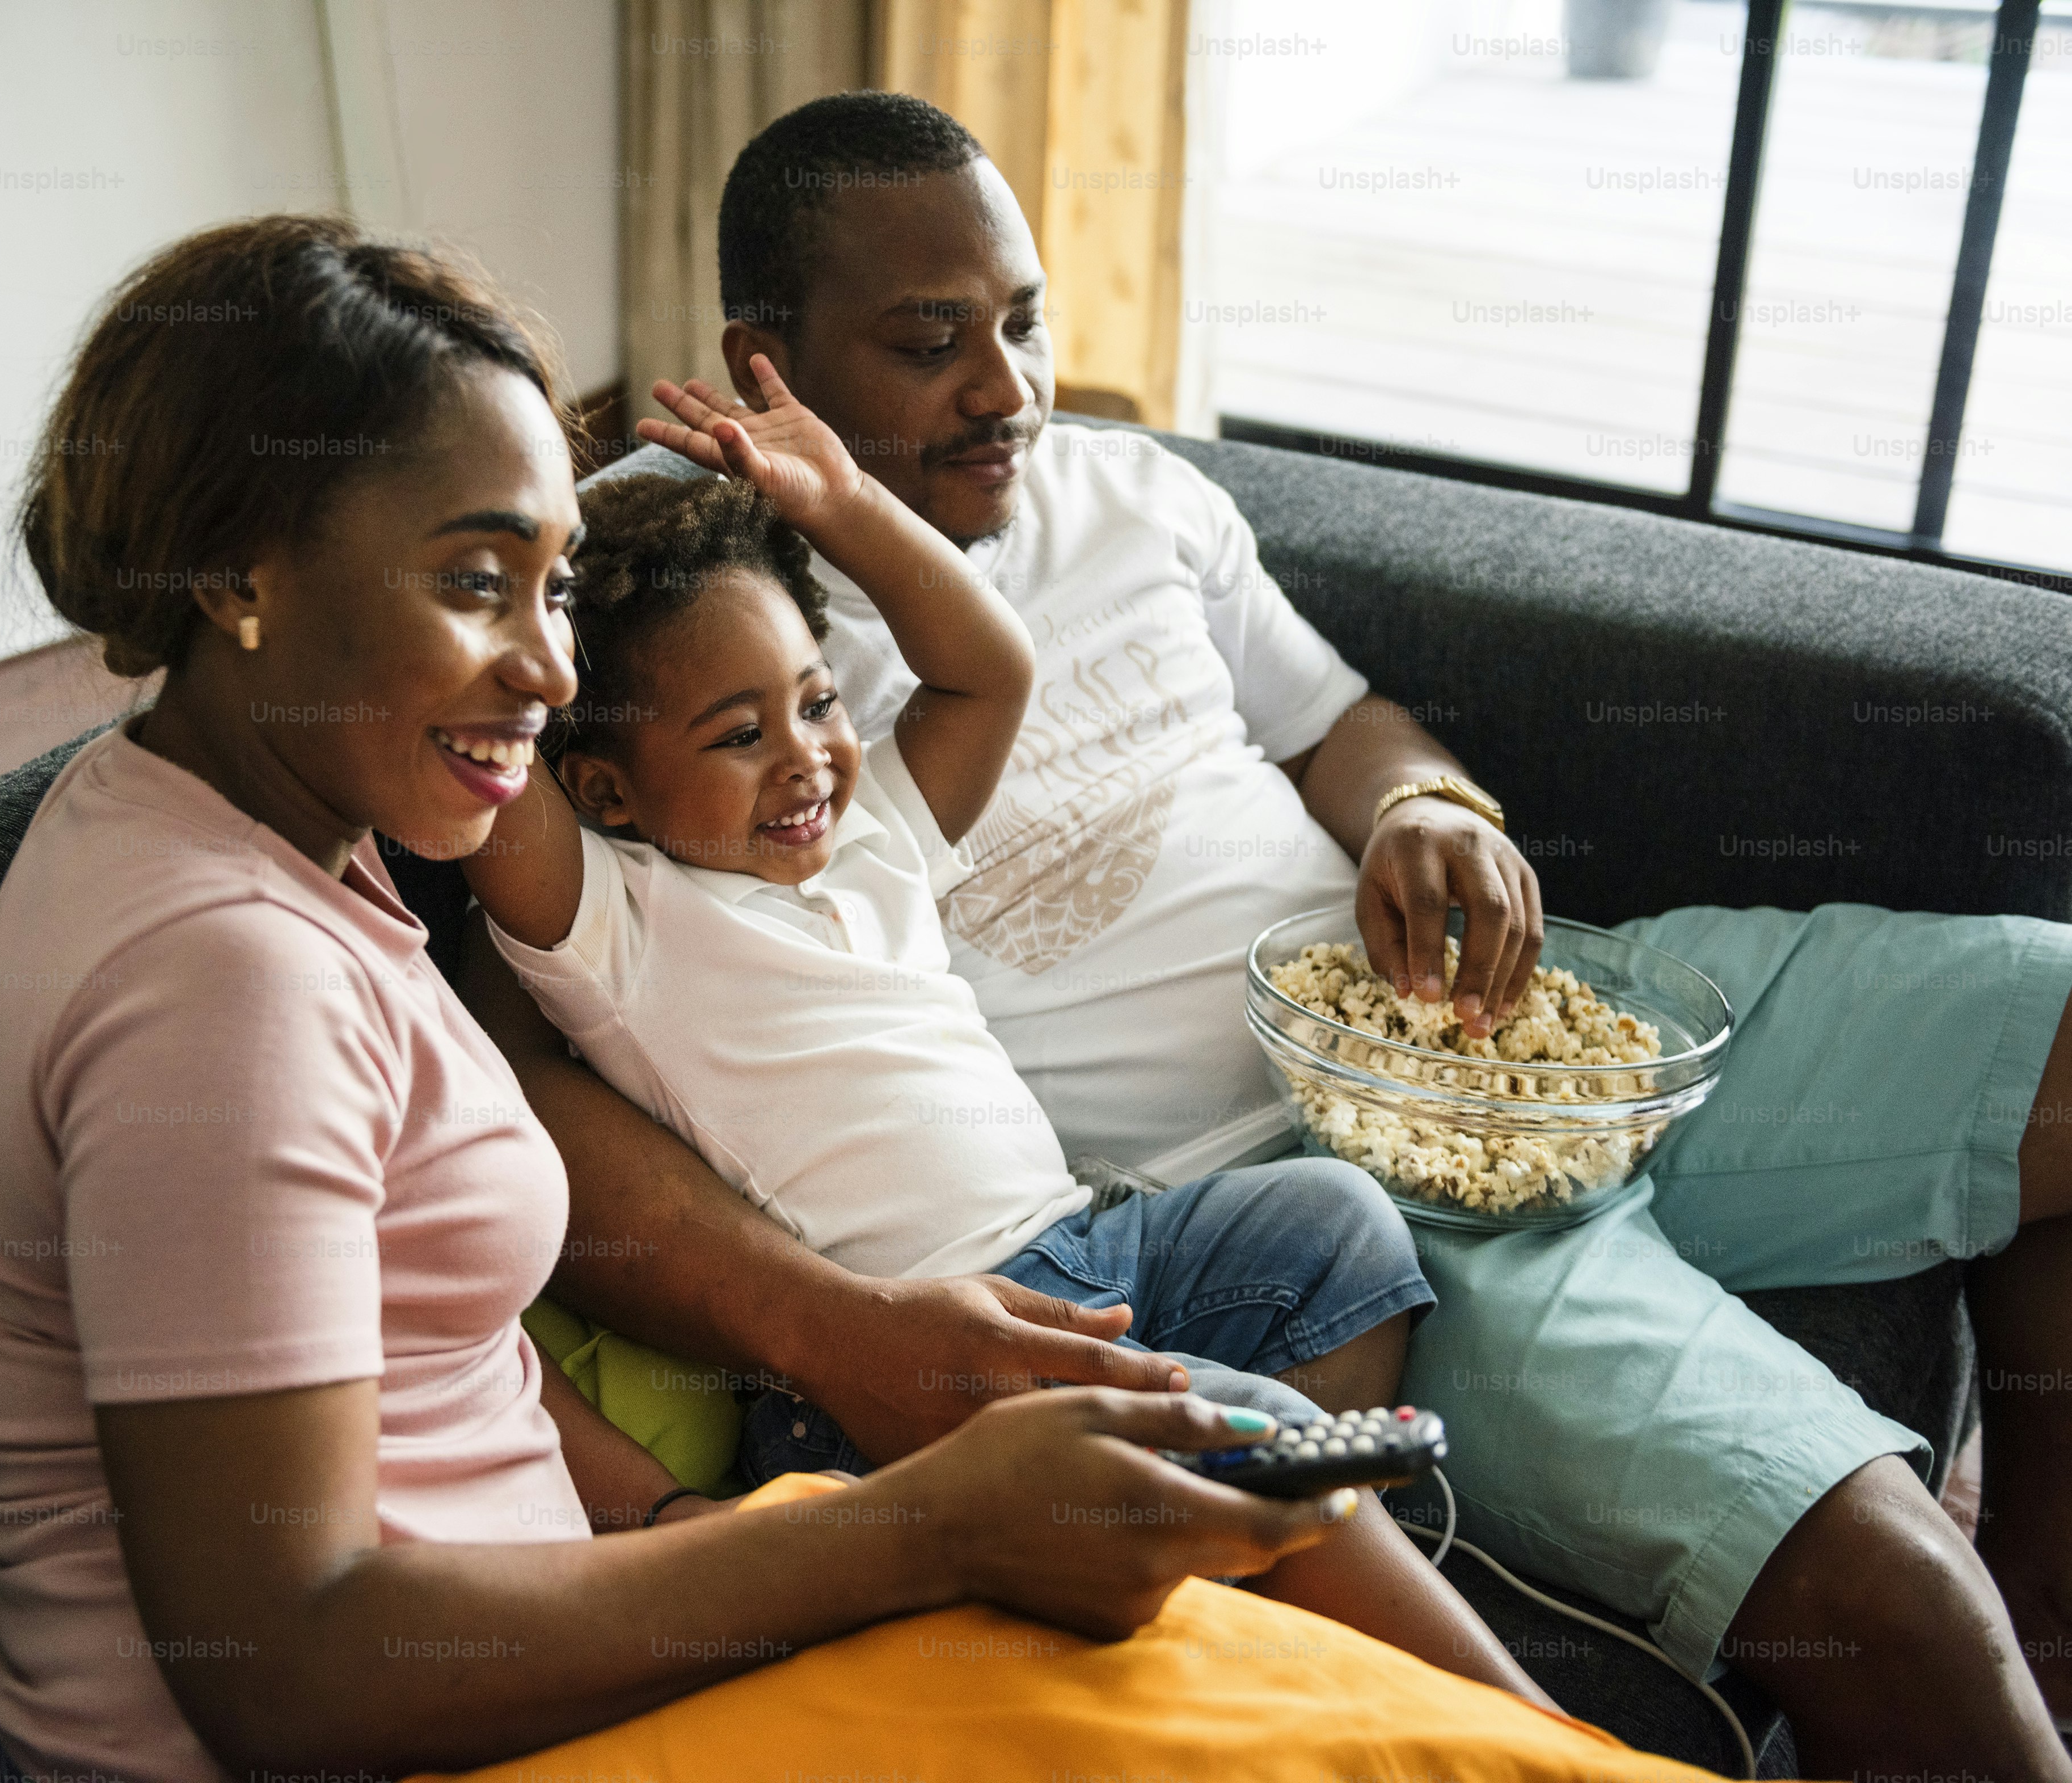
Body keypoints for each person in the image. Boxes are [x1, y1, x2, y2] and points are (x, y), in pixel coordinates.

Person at [0, 214, 1720, 1783]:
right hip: (392, 1741)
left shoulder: (276, 837)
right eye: (477, 582)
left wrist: (689, 1528)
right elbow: (283, 1668)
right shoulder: (220, 979)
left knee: (1264, 1608)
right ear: (238, 576)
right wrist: (900, 1531)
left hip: (543, 1639)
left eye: (552, 586)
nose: (547, 668)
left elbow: (411, 1367)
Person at [461, 91, 2072, 1780]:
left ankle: (2048, 1590)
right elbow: (516, 1040)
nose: (1005, 388)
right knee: (1896, 1594)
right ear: (766, 359)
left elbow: (1338, 723)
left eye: (1020, 323)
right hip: (1302, 1187)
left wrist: (1421, 811)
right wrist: (822, 1331)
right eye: (930, 342)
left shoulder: (1124, 491)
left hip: (1517, 1016)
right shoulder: (677, 646)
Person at [460, 355, 1547, 1704]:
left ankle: (1225, 1573)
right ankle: (1525, 1722)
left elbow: (987, 665)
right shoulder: (614, 923)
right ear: (611, 792)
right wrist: (518, 572)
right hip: (892, 1368)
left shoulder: (871, 840)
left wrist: (844, 497)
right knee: (1252, 1425)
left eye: (816, 703)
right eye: (739, 736)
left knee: (1336, 1223)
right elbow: (503, 769)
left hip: (1082, 1247)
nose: (805, 756)